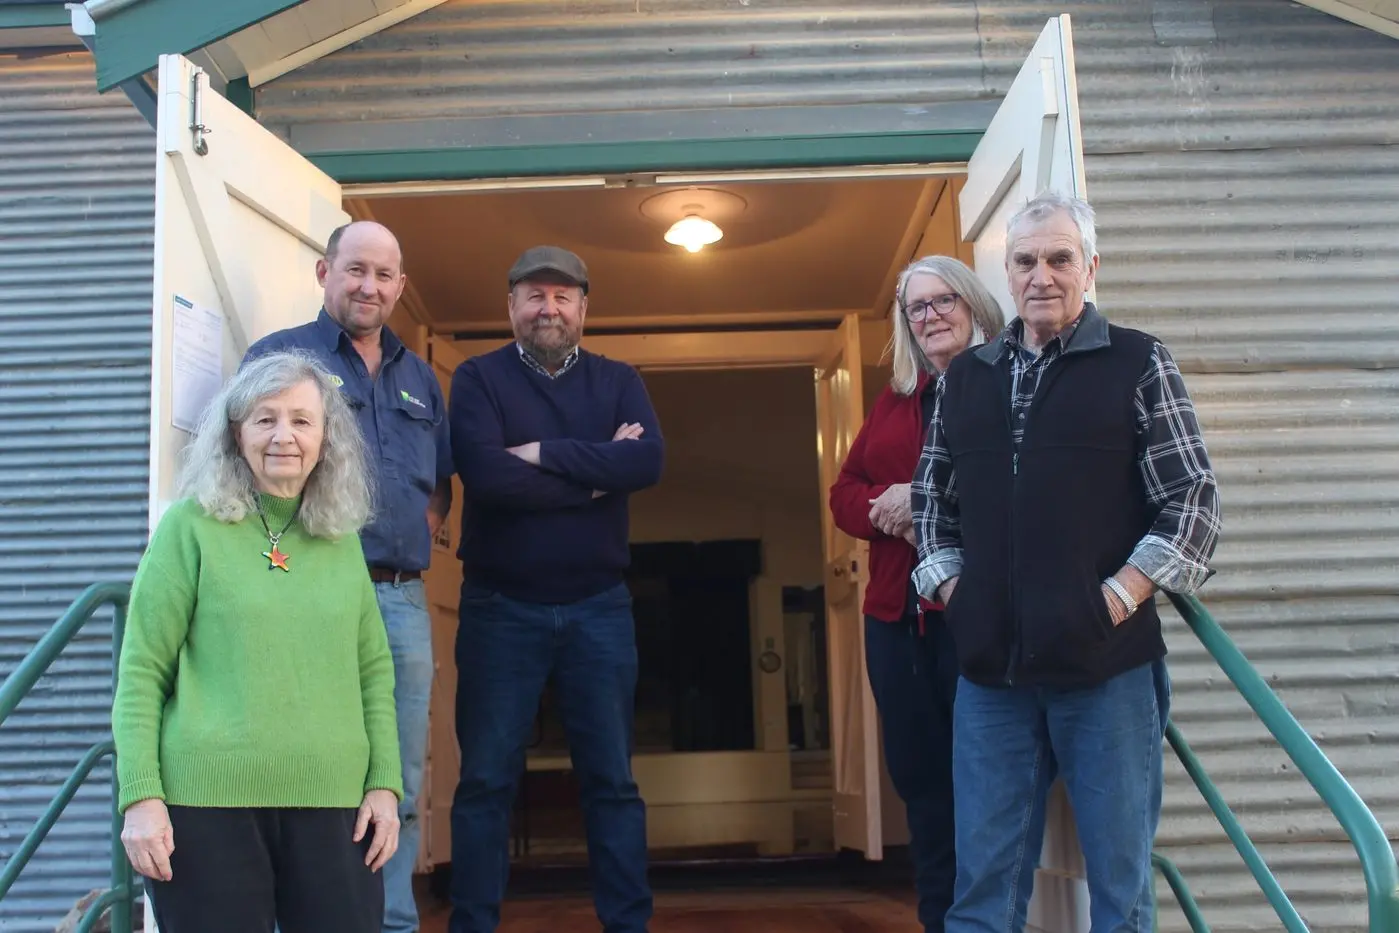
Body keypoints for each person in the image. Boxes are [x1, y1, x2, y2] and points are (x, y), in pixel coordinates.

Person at [912, 191, 1221, 932]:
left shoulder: (1138, 361)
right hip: (992, 678)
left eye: (1059, 258)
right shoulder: (966, 378)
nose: (1041, 275)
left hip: (1106, 669)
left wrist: (1113, 599)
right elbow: (929, 507)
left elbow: (1192, 502)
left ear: (1090, 267)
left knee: (1120, 891)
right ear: (1007, 273)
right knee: (981, 895)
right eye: (1025, 261)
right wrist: (959, 596)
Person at [113, 351, 403, 933]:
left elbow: (373, 672)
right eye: (265, 419)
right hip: (205, 807)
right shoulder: (189, 527)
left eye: (301, 420)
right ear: (236, 432)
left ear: (326, 438)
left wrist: (385, 785)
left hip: (336, 804)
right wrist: (141, 797)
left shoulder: (341, 538)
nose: (283, 436)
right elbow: (142, 671)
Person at [447, 245, 663, 933]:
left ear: (583, 308)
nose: (549, 308)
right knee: (485, 781)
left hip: (600, 607)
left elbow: (646, 461)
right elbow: (487, 478)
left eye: (562, 296)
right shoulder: (477, 379)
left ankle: (626, 925)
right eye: (535, 295)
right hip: (499, 608)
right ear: (510, 305)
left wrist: (543, 453)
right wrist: (597, 477)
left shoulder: (618, 379)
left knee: (612, 781)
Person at [244, 220, 451, 933]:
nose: (369, 286)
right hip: (309, 596)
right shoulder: (281, 358)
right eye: (355, 269)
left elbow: (440, 484)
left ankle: (392, 923)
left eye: (384, 275)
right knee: (302, 770)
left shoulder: (420, 377)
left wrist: (413, 531)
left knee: (401, 777)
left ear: (400, 286)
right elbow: (246, 468)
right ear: (324, 271)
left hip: (400, 597)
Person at [828, 255, 1004, 933]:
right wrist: (887, 508)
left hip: (971, 613)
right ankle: (941, 921)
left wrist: (919, 502)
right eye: (916, 308)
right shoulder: (896, 398)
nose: (930, 316)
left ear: (973, 303)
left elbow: (1012, 489)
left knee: (984, 782)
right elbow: (843, 494)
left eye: (942, 301)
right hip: (894, 617)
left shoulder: (1004, 384)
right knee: (921, 787)